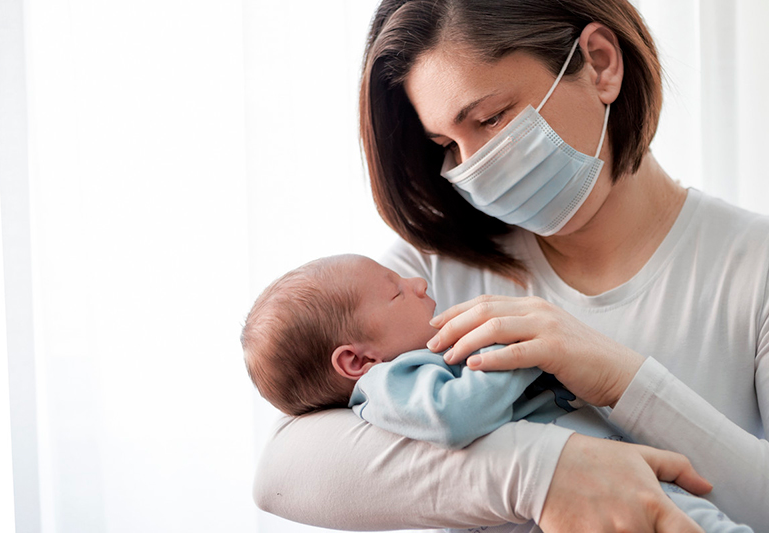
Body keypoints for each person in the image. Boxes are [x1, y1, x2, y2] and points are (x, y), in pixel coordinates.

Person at [251, 1, 769, 531]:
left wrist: (620, 379)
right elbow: (281, 473)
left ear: (599, 63)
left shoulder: (754, 266)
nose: (472, 163)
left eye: (490, 118)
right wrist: (542, 472)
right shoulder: (429, 277)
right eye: (448, 144)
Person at [242, 253, 752, 532]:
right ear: (356, 361)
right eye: (396, 289)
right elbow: (453, 414)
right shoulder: (389, 382)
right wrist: (517, 354)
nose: (417, 281)